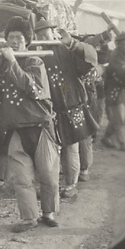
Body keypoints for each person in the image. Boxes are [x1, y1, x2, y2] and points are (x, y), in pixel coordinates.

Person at [0, 16, 60, 232]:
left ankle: (49, 212)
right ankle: (29, 218)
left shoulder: (36, 62)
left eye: (19, 38)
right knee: (22, 179)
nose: (15, 42)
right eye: (11, 38)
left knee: (48, 176)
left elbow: (32, 89)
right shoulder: (2, 65)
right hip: (16, 130)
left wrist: (11, 63)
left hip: (40, 128)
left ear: (27, 41)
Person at [34, 19, 98, 198]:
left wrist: (72, 43)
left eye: (45, 33)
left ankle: (71, 185)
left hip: (71, 107)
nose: (42, 37)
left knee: (71, 147)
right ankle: (50, 185)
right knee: (49, 150)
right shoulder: (35, 52)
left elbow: (90, 59)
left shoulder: (66, 49)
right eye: (38, 34)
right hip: (49, 110)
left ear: (53, 32)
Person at [101, 31, 125, 151]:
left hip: (124, 89)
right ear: (119, 45)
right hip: (114, 89)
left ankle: (106, 137)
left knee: (119, 116)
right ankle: (123, 143)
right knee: (120, 117)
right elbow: (123, 73)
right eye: (124, 46)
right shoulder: (115, 56)